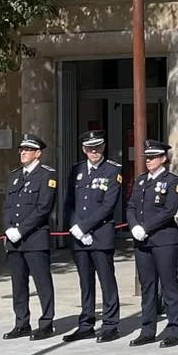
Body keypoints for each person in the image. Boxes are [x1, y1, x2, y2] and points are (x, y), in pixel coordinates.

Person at [63, 129, 123, 343]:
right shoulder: (76, 170)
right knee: (85, 283)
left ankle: (110, 324)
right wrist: (75, 226)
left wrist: (86, 226)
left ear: (103, 147)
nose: (93, 151)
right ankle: (86, 323)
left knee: (107, 281)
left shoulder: (112, 170)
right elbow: (68, 202)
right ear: (83, 149)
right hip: (79, 237)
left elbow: (108, 205)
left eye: (97, 147)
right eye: (89, 148)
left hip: (100, 235)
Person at [126, 139, 178, 348]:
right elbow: (131, 206)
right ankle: (148, 329)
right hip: (142, 242)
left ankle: (174, 329)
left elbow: (169, 210)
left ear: (163, 159)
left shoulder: (172, 181)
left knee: (169, 285)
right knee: (148, 286)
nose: (149, 161)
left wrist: (146, 227)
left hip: (164, 240)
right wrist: (133, 226)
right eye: (147, 158)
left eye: (153, 157)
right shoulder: (141, 181)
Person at [2, 134, 57, 341]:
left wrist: (21, 230)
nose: (23, 153)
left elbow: (43, 209)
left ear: (38, 153)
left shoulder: (47, 176)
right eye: (21, 149)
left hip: (34, 238)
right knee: (18, 283)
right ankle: (21, 322)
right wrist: (7, 228)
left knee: (42, 282)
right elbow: (7, 205)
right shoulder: (14, 176)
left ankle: (46, 323)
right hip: (14, 240)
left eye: (28, 150)